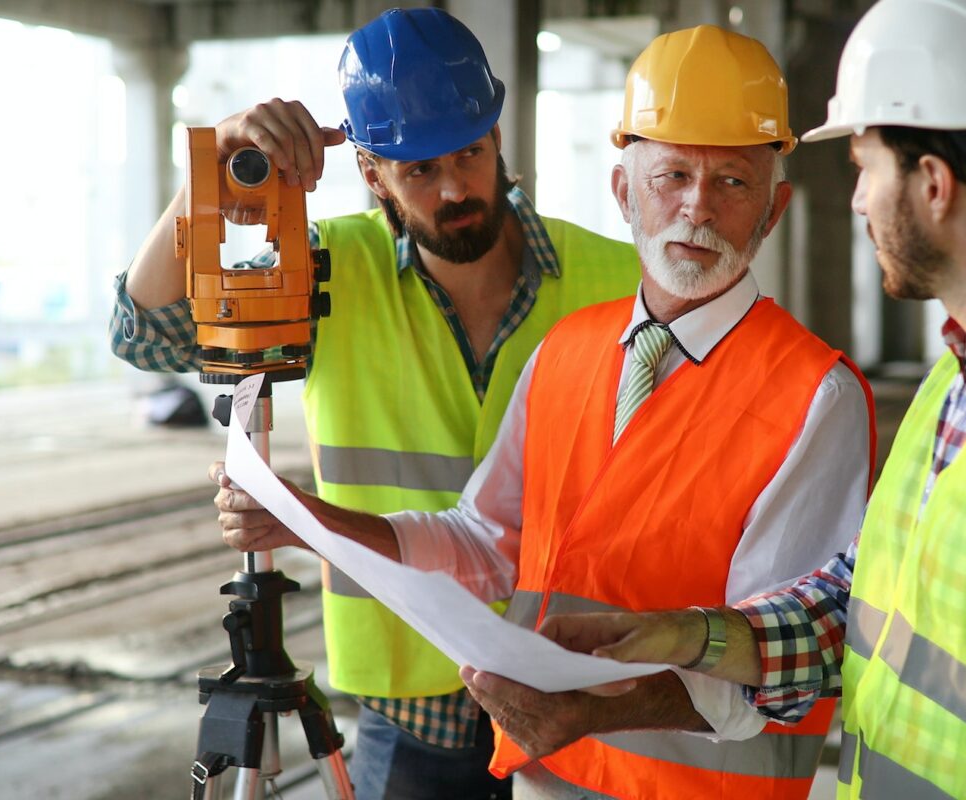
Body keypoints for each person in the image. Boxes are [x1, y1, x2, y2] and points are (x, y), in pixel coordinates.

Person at [211, 24, 876, 800]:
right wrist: (310, 522)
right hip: (547, 780)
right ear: (625, 192)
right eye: (671, 176)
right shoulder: (569, 349)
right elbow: (486, 541)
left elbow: (781, 660)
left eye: (732, 182)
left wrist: (594, 712)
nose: (698, 208)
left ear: (773, 210)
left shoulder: (812, 394)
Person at [540, 1, 966, 798]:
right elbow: (863, 604)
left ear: (932, 184)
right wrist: (686, 635)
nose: (858, 200)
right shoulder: (965, 375)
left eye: (866, 167)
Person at [109, 8, 642, 798]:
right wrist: (211, 166)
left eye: (469, 153)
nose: (456, 186)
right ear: (371, 171)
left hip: (575, 685)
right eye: (420, 170)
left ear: (497, 137)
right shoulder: (329, 270)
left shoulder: (614, 278)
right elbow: (144, 334)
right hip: (410, 703)